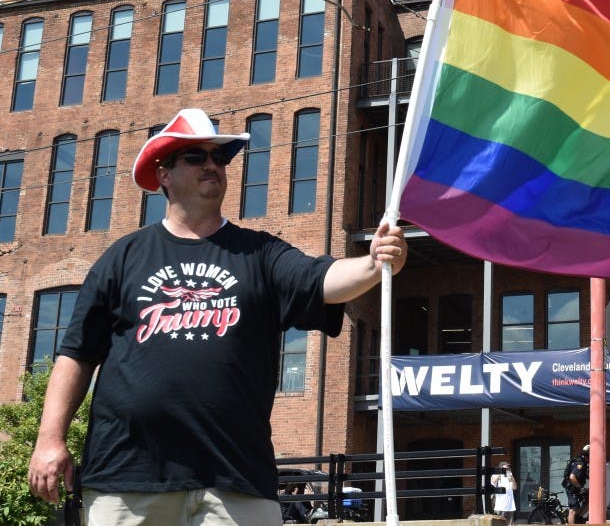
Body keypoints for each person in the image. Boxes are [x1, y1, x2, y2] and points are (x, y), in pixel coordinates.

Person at [27, 107, 408, 526]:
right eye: (196, 156)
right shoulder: (123, 257)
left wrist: (374, 264)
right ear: (164, 174)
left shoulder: (261, 253)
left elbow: (322, 279)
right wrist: (50, 439)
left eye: (219, 158)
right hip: (128, 480)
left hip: (236, 480)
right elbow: (76, 354)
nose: (212, 165)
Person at [564, 444, 589, 524]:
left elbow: (582, 475)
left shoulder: (580, 460)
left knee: (590, 500)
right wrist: (580, 487)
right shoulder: (580, 463)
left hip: (575, 487)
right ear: (587, 455)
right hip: (572, 488)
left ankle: (579, 517)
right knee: (573, 510)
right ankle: (574, 518)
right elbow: (572, 477)